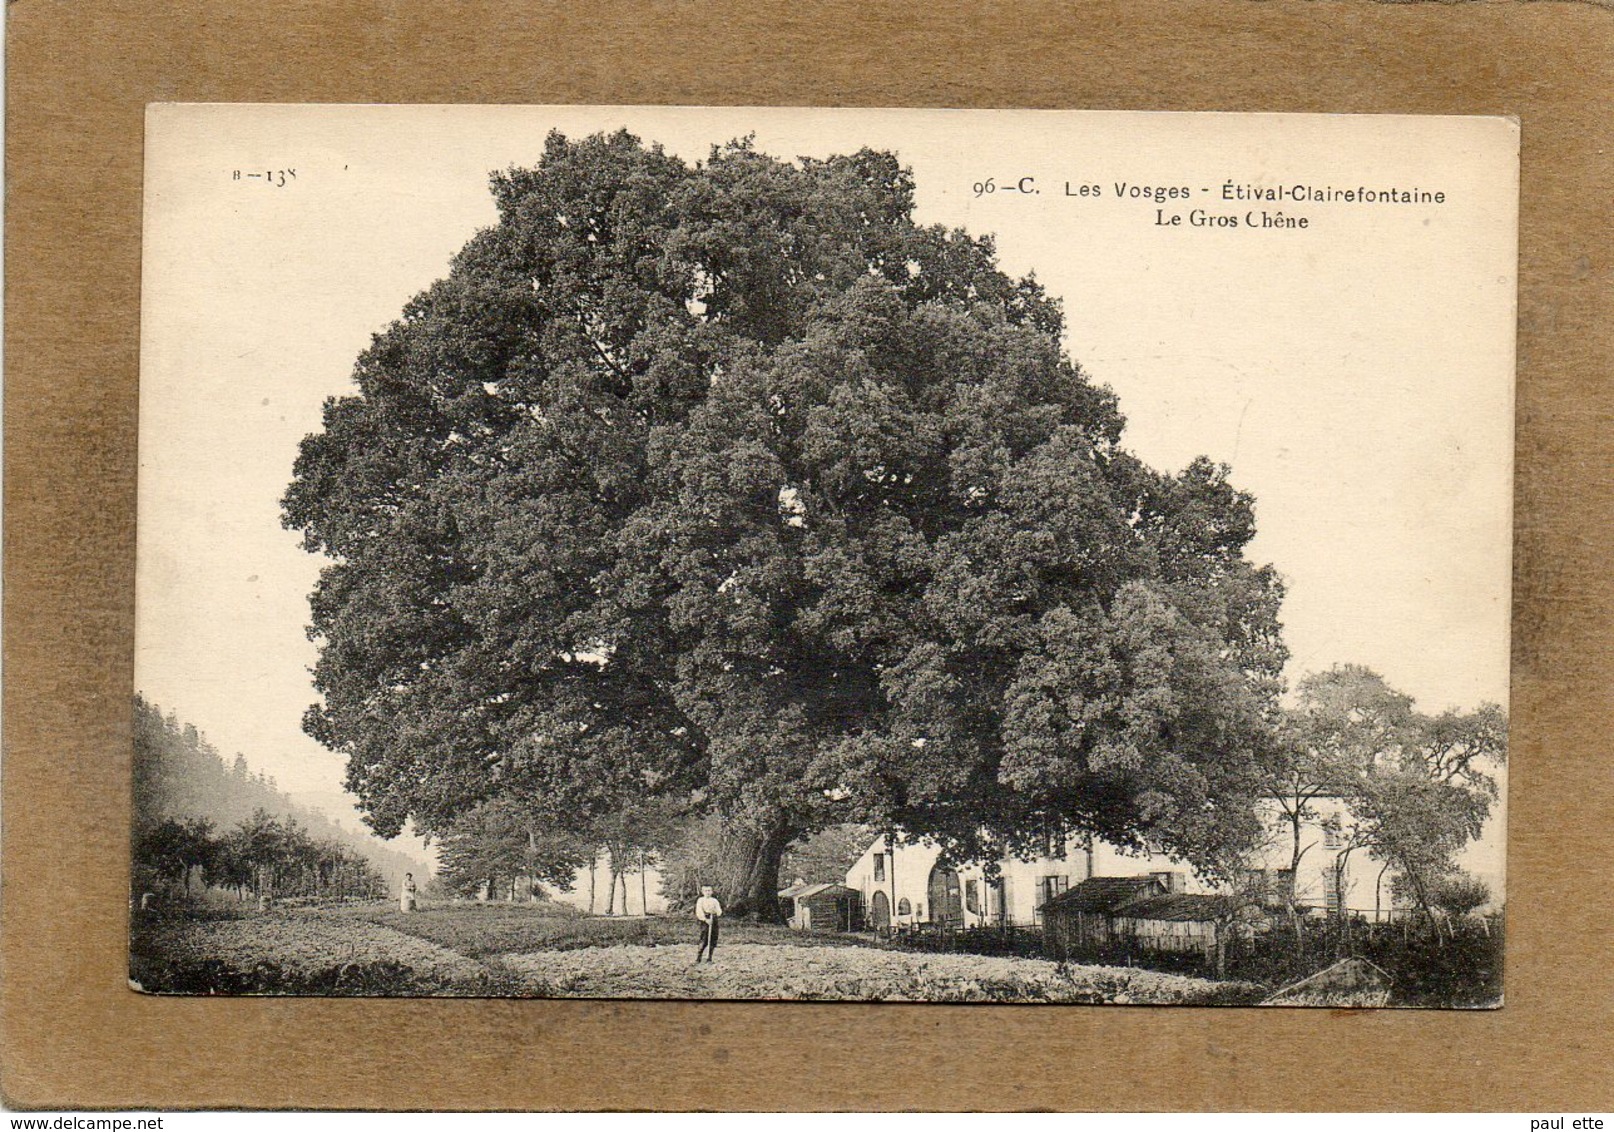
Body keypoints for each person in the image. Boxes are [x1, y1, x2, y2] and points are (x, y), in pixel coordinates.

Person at [693, 884, 723, 963]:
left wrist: (716, 913)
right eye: (706, 891)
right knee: (704, 939)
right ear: (702, 892)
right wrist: (705, 919)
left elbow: (719, 911)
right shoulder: (701, 900)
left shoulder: (714, 900)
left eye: (709, 890)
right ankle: (698, 958)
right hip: (705, 921)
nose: (708, 892)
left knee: (713, 939)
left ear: (712, 891)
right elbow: (699, 911)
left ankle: (709, 957)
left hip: (714, 919)